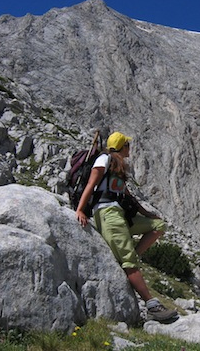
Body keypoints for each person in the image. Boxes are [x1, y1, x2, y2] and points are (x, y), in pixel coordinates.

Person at [76, 131, 177, 322]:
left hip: (119, 214)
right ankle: (152, 306)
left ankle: (130, 258)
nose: (130, 148)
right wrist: (81, 210)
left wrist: (148, 215)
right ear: (122, 147)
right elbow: (91, 184)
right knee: (129, 261)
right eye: (128, 145)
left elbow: (128, 196)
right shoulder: (103, 159)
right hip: (107, 214)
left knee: (158, 226)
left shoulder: (118, 166)